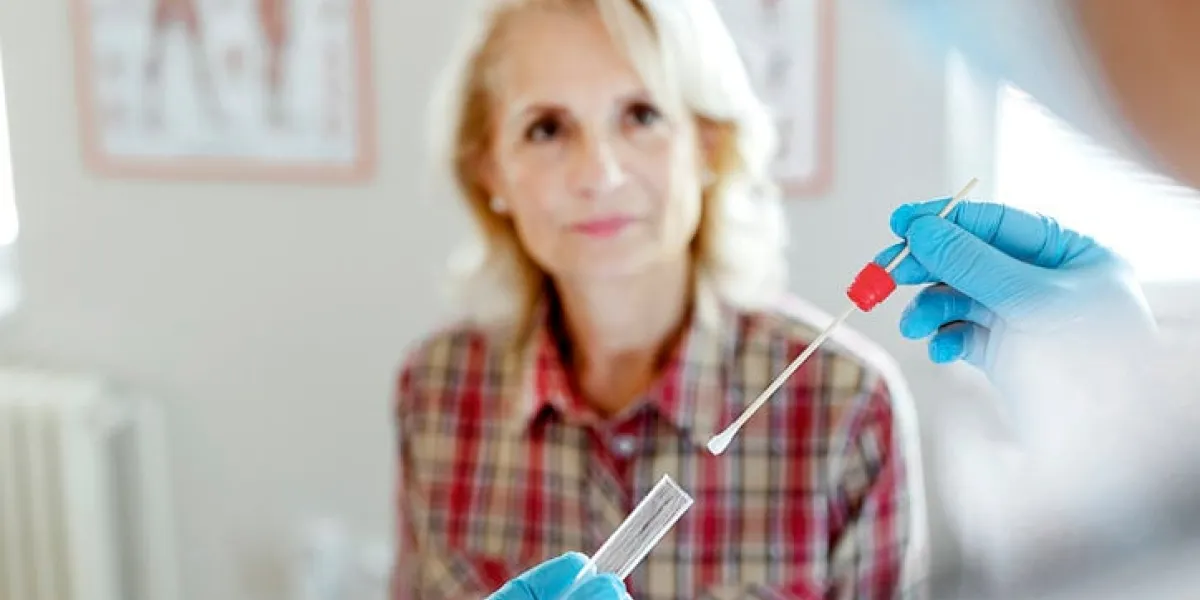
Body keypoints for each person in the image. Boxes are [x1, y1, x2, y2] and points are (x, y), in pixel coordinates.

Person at [393, 0, 927, 598]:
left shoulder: (848, 406)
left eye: (641, 115)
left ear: (708, 144)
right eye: (547, 128)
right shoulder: (435, 391)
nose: (600, 174)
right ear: (489, 170)